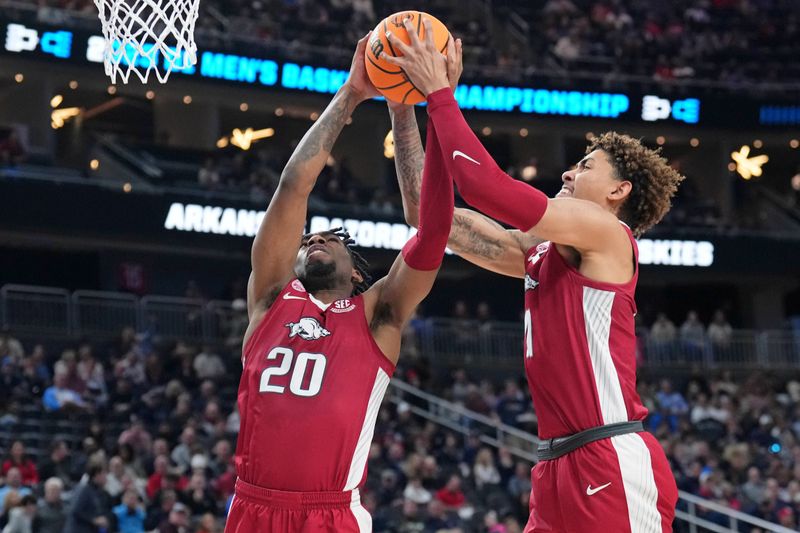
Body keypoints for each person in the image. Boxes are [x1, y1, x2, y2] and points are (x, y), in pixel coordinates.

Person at [384, 18, 683, 532]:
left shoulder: (608, 235)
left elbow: (489, 191)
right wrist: (404, 106)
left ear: (619, 192)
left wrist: (441, 95)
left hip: (608, 457)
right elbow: (426, 216)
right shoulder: (537, 251)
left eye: (586, 166)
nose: (567, 172)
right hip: (555, 467)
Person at [224, 32, 453, 533]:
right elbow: (293, 187)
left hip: (329, 513)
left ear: (356, 272)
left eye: (329, 238)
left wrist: (403, 110)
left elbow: (431, 230)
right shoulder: (270, 300)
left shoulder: (378, 314)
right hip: (251, 507)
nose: (313, 240)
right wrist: (351, 92)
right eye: (309, 239)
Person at [63, 462, 110, 533]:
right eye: (104, 474)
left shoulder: (97, 491)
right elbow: (76, 510)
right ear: (97, 474)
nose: (106, 477)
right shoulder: (83, 488)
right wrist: (94, 520)